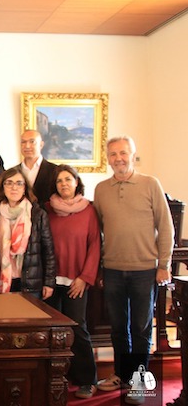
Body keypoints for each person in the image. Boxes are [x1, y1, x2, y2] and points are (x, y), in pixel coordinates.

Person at [93, 136, 173, 405]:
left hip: (144, 270)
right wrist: (99, 268)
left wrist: (163, 265)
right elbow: (98, 231)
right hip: (113, 269)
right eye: (113, 154)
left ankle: (138, 382)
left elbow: (166, 227)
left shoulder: (150, 184)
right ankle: (121, 374)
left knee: (141, 329)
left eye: (123, 153)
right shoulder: (101, 189)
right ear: (108, 158)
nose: (118, 158)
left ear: (133, 155)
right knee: (118, 328)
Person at [44, 165, 100, 399]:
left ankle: (87, 380)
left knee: (78, 329)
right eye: (59, 181)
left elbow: (95, 245)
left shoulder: (88, 211)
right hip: (50, 281)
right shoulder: (47, 209)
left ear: (77, 182)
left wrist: (84, 278)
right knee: (51, 332)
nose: (64, 184)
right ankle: (54, 378)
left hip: (76, 281)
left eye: (68, 179)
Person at [0, 167, 55, 298]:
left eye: (19, 183)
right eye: (9, 183)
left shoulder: (37, 214)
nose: (14, 187)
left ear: (25, 188)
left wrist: (49, 282)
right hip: (0, 281)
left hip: (30, 282)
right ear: (2, 187)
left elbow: (48, 251)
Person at [15, 130, 58, 206]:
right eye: (23, 142)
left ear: (41, 145)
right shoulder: (13, 172)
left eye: (32, 142)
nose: (27, 146)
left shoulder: (55, 171)